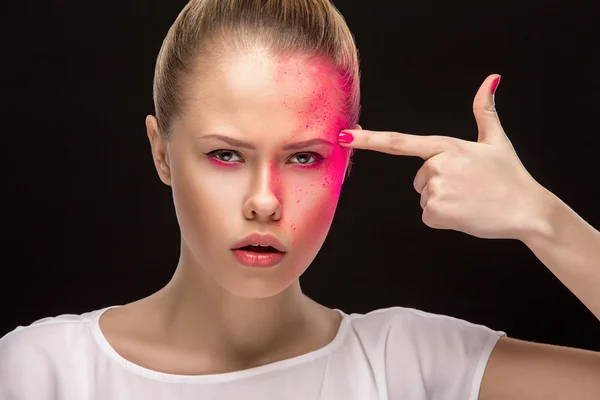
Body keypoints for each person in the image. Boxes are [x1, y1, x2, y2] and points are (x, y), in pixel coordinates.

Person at [1, 0, 599, 398]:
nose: (265, 201)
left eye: (304, 157)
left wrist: (541, 219)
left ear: (346, 163)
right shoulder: (41, 372)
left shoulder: (410, 366)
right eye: (226, 155)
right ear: (161, 151)